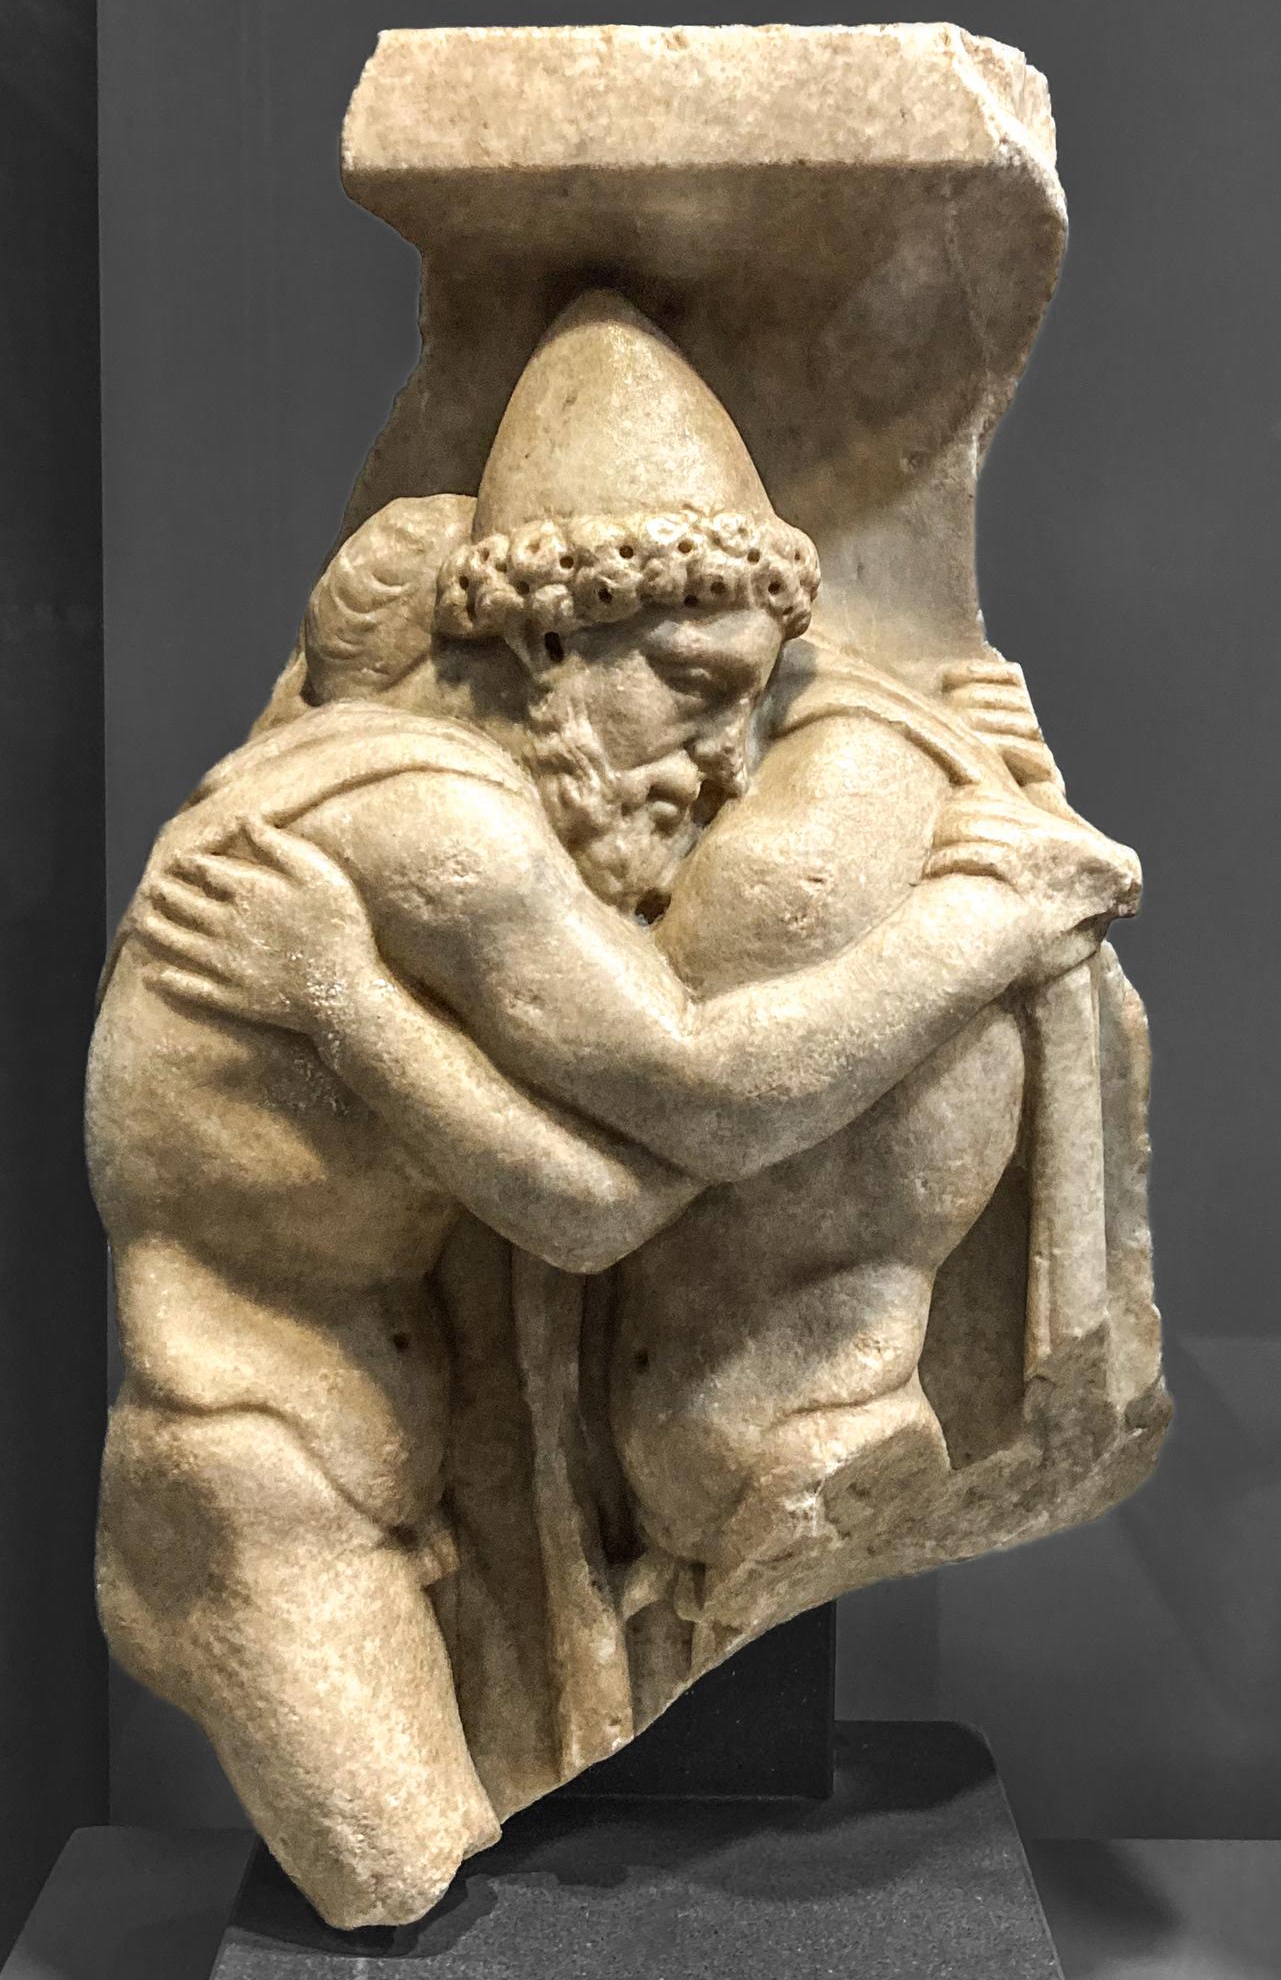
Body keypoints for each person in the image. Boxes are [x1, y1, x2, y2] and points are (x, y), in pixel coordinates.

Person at [90, 295, 1138, 1928]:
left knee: (419, 1863)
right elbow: (696, 1106)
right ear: (546, 648)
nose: (725, 762)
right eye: (695, 687)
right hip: (249, 1491)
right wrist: (985, 916)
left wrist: (964, 758)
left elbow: (602, 1195)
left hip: (375, 1461)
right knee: (385, 1881)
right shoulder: (428, 825)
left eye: (756, 705)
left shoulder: (382, 780)